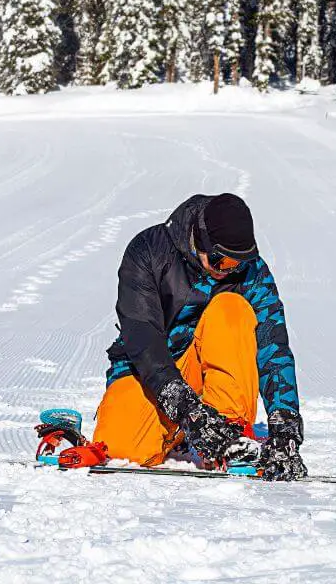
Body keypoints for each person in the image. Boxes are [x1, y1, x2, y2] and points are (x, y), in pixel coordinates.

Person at [91, 193, 306, 481]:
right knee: (121, 448)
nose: (228, 270)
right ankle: (178, 429)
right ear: (199, 241)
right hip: (152, 371)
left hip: (210, 374)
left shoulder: (252, 272)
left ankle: (228, 433)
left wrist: (285, 424)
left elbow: (273, 346)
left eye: (237, 263)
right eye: (221, 260)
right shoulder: (148, 252)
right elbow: (142, 338)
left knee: (232, 308)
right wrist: (187, 410)